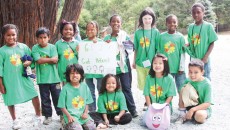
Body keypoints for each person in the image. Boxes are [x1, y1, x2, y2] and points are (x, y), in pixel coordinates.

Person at [0, 24, 41, 129]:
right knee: (10, 99)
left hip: (24, 77)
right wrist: (1, 84)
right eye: (8, 35)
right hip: (9, 80)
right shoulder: (2, 51)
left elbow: (31, 59)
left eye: (13, 35)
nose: (11, 37)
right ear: (3, 36)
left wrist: (29, 62)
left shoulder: (23, 47)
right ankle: (14, 120)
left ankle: (38, 115)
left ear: (16, 35)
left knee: (34, 94)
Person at [104, 14, 138, 117]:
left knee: (126, 88)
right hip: (111, 68)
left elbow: (131, 50)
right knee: (112, 88)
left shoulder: (124, 36)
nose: (116, 23)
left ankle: (132, 110)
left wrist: (125, 44)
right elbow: (102, 53)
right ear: (110, 23)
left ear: (121, 24)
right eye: (113, 21)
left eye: (118, 22)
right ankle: (114, 110)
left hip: (123, 67)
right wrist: (106, 44)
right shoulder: (107, 38)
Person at [32, 27, 62, 125]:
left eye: (45, 37)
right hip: (42, 80)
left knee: (58, 97)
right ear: (37, 38)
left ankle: (61, 114)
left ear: (49, 37)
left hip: (55, 79)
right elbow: (38, 60)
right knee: (45, 99)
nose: (43, 39)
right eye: (40, 37)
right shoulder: (35, 48)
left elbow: (56, 60)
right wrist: (50, 59)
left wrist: (45, 59)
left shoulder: (52, 47)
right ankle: (48, 116)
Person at [133, 7, 160, 110]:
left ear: (152, 19)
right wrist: (134, 61)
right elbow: (135, 48)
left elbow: (158, 48)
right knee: (144, 84)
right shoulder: (138, 33)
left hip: (152, 63)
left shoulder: (156, 32)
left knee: (152, 83)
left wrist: (157, 62)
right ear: (141, 20)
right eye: (145, 18)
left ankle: (151, 102)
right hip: (140, 63)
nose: (147, 21)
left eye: (149, 18)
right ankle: (147, 101)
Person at [57, 64, 96, 130]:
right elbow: (62, 106)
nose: (75, 75)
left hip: (82, 115)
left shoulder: (85, 86)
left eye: (77, 73)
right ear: (68, 75)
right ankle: (64, 124)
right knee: (77, 128)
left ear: (81, 75)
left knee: (91, 127)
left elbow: (87, 102)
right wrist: (69, 116)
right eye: (72, 73)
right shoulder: (65, 88)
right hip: (70, 116)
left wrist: (85, 113)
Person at [185, 3, 218, 80]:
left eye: (198, 12)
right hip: (193, 61)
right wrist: (187, 45)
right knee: (194, 80)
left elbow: (212, 43)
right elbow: (192, 41)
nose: (196, 15)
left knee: (205, 80)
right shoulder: (190, 27)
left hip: (204, 60)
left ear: (203, 12)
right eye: (194, 12)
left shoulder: (208, 26)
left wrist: (205, 57)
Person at [176, 59, 212, 124]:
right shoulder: (188, 80)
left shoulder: (207, 84)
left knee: (199, 116)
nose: (192, 75)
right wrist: (181, 107)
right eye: (190, 72)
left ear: (202, 72)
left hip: (202, 108)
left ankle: (195, 115)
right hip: (190, 105)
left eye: (196, 72)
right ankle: (182, 115)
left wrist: (193, 110)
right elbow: (181, 94)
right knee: (183, 88)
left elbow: (207, 103)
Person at [157, 14, 186, 92]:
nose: (172, 24)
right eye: (169, 22)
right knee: (166, 91)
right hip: (166, 69)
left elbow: (182, 53)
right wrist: (160, 67)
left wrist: (181, 67)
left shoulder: (180, 37)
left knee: (182, 90)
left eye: (174, 22)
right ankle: (168, 104)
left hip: (178, 70)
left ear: (177, 23)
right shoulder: (161, 37)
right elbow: (158, 53)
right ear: (166, 24)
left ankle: (182, 104)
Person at [83, 21, 103, 112]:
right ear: (86, 31)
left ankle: (102, 109)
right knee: (90, 91)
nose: (90, 31)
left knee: (101, 90)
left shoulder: (101, 42)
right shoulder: (83, 43)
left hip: (99, 71)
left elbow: (105, 55)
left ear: (97, 30)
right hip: (87, 72)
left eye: (92, 29)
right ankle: (92, 111)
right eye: (88, 30)